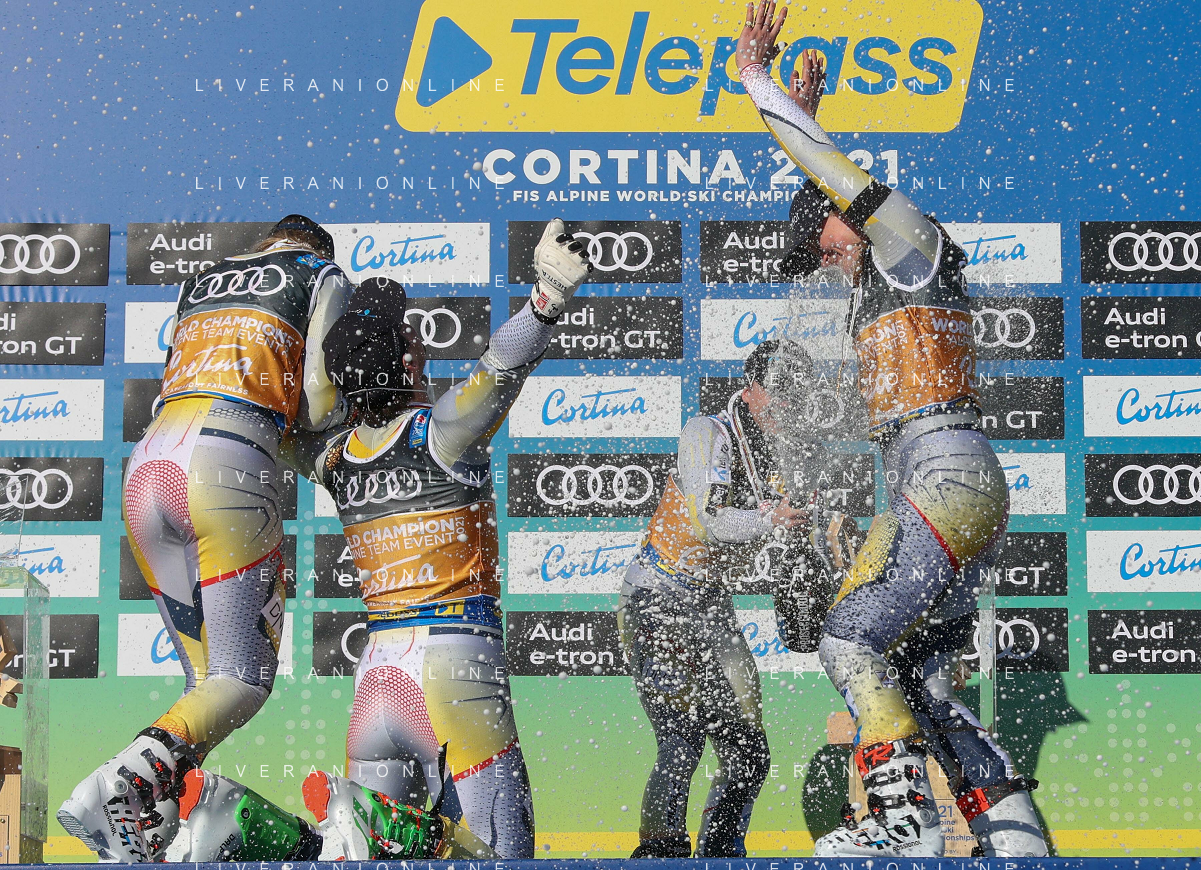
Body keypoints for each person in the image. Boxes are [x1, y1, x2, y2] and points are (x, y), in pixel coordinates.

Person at [734, 1, 1047, 858]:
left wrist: (757, 82)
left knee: (848, 635)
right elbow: (823, 199)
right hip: (948, 479)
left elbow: (836, 181)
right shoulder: (887, 261)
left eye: (826, 239)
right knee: (918, 684)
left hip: (943, 476)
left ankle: (902, 819)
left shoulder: (909, 240)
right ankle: (1018, 842)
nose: (824, 254)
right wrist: (807, 116)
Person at [287, 221, 592, 859]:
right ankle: (396, 830)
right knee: (503, 856)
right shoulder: (441, 433)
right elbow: (502, 365)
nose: (421, 345)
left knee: (385, 859)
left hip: (377, 679)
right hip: (454, 670)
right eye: (411, 337)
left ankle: (358, 827)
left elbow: (274, 426)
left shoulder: (335, 459)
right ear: (406, 362)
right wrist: (546, 298)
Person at [58, 215, 353, 863]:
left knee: (207, 684)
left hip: (150, 463)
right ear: (317, 247)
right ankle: (119, 784)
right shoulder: (320, 273)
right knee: (243, 678)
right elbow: (319, 400)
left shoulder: (204, 278)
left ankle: (154, 820)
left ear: (267, 242)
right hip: (228, 459)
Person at [618, 340, 817, 859]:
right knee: (682, 737)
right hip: (656, 596)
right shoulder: (707, 432)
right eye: (779, 393)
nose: (787, 406)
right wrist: (772, 517)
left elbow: (777, 536)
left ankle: (721, 852)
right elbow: (711, 521)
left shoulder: (778, 456)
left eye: (796, 397)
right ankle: (660, 852)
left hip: (710, 605)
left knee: (748, 747)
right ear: (750, 389)